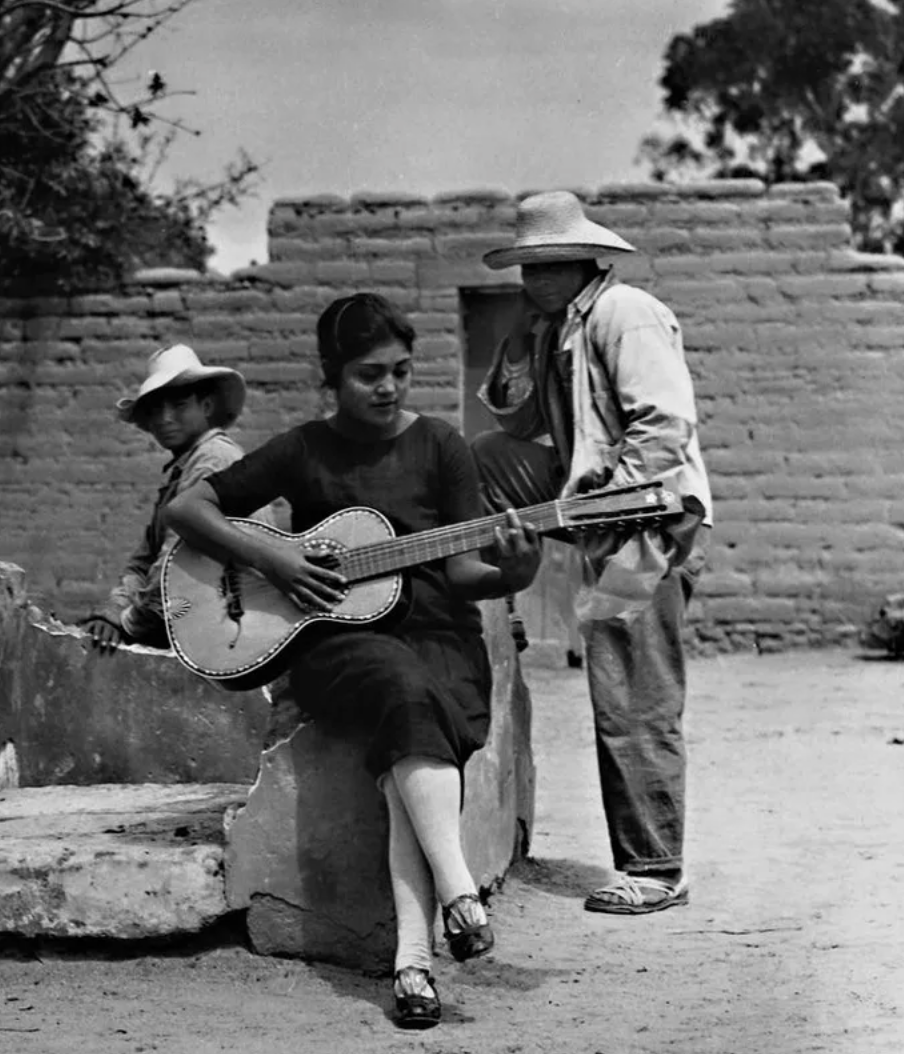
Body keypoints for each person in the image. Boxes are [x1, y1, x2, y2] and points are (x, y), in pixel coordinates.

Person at [165, 293, 541, 1030]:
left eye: (402, 371)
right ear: (331, 376)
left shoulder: (440, 445)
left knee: (416, 714)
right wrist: (273, 550)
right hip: (336, 642)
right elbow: (189, 510)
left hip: (440, 633)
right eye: (370, 373)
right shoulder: (304, 449)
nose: (389, 387)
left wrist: (515, 576)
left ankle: (413, 966)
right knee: (403, 692)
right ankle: (458, 891)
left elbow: (465, 573)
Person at [473, 190, 712, 916]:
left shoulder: (623, 312)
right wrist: (518, 346)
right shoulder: (555, 328)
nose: (537, 278)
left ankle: (655, 867)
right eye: (528, 266)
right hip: (594, 503)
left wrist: (616, 505)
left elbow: (663, 425)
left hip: (645, 520)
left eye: (552, 264)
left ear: (587, 259)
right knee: (481, 460)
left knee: (629, 689)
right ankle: (490, 604)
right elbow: (517, 422)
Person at [83, 343, 251, 652]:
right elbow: (142, 562)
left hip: (232, 629)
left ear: (207, 406)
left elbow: (176, 566)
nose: (165, 418)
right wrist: (113, 612)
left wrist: (127, 622)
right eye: (155, 408)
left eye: (179, 405)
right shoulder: (182, 471)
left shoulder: (214, 459)